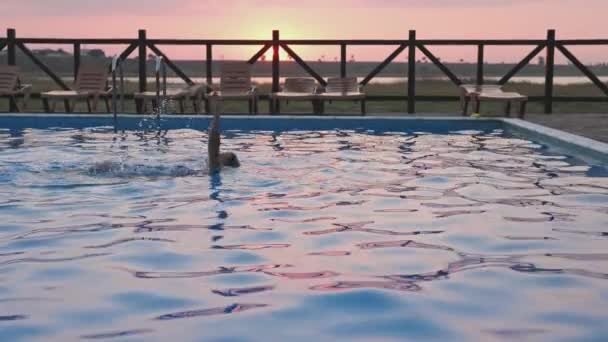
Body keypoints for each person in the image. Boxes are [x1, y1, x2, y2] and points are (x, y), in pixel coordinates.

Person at [207, 93, 240, 174]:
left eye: (230, 154)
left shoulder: (215, 164)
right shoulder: (215, 168)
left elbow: (213, 141)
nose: (222, 153)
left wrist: (217, 113)